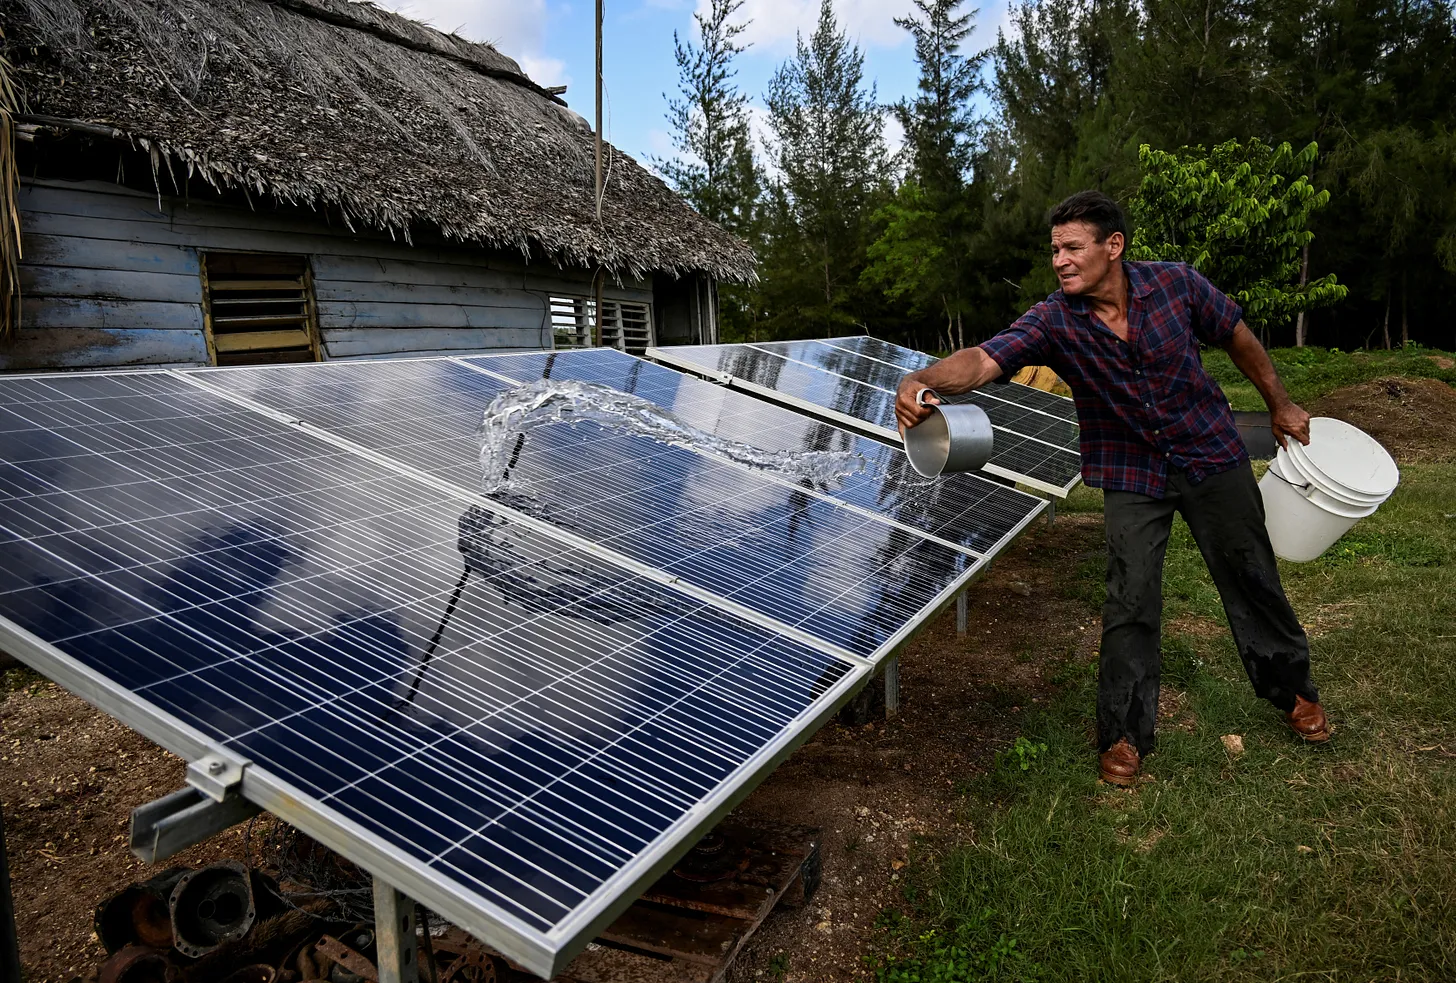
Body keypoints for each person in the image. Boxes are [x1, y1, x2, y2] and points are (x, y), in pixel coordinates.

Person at [894, 190, 1331, 787]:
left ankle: (1294, 692)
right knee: (1130, 601)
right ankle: (1124, 735)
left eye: (1073, 247)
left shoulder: (1177, 286)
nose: (1061, 261)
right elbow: (983, 360)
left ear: (1113, 246)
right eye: (1055, 250)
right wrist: (921, 377)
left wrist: (1280, 402)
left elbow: (1237, 334)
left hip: (1210, 453)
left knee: (1251, 576)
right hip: (1131, 473)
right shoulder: (1054, 320)